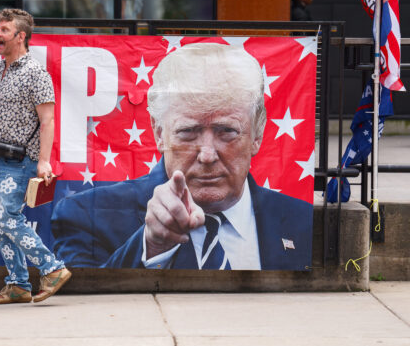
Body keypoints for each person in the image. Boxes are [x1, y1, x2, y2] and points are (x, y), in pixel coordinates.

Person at [50, 43, 312, 270]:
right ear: (158, 132)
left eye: (227, 131)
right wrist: (151, 247)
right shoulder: (87, 216)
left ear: (257, 134)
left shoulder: (303, 222)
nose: (207, 155)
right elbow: (84, 309)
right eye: (188, 132)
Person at [0, 8, 71, 304]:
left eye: (4, 30)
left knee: (6, 218)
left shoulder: (36, 73)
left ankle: (52, 268)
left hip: (20, 162)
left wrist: (44, 161)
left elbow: (48, 120)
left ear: (20, 36)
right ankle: (17, 283)